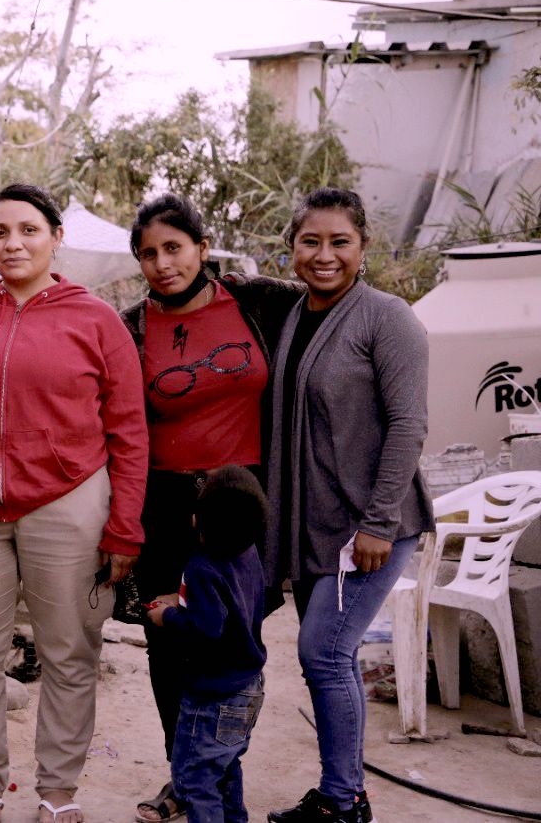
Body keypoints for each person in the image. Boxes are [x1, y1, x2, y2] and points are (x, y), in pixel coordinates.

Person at [0, 183, 148, 823]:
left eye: (28, 230)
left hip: (69, 501)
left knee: (69, 651)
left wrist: (125, 528)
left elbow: (129, 431)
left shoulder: (96, 319)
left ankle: (58, 790)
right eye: (0, 232)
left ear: (56, 237)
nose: (13, 243)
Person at [119, 195, 301, 823]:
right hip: (168, 504)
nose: (162, 263)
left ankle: (216, 766)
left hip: (243, 503)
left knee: (235, 638)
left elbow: (327, 297)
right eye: (148, 253)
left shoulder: (258, 301)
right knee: (169, 640)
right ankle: (185, 772)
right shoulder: (130, 327)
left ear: (202, 247)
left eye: (174, 248)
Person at [263, 188, 434, 823]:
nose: (325, 254)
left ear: (363, 247)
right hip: (315, 524)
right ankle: (341, 791)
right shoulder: (291, 315)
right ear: (292, 248)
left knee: (324, 652)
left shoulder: (388, 318)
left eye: (341, 241)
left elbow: (409, 426)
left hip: (373, 525)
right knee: (329, 656)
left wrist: (378, 524)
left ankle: (344, 801)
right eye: (311, 241)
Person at [147, 465, 269, 823]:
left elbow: (206, 630)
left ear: (196, 520)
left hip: (212, 696)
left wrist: (167, 617)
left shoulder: (201, 567)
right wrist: (183, 602)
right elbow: (229, 608)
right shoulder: (248, 553)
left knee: (196, 780)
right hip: (248, 687)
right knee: (225, 766)